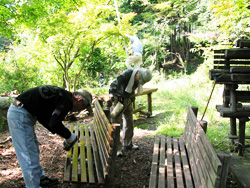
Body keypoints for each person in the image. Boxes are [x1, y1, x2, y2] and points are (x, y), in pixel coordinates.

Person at [7, 85, 89, 188]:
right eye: (82, 108)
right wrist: (70, 136)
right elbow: (54, 123)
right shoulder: (67, 101)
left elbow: (46, 118)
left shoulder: (63, 95)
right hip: (20, 115)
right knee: (28, 155)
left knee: (33, 148)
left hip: (22, 113)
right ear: (79, 99)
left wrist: (62, 133)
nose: (78, 111)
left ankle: (40, 178)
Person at [109, 69, 152, 156]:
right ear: (137, 73)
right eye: (139, 79)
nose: (138, 82)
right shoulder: (128, 73)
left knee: (129, 123)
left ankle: (128, 144)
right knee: (117, 124)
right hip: (119, 100)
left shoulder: (138, 78)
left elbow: (132, 90)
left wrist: (132, 98)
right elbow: (114, 84)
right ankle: (117, 148)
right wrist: (112, 95)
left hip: (128, 100)